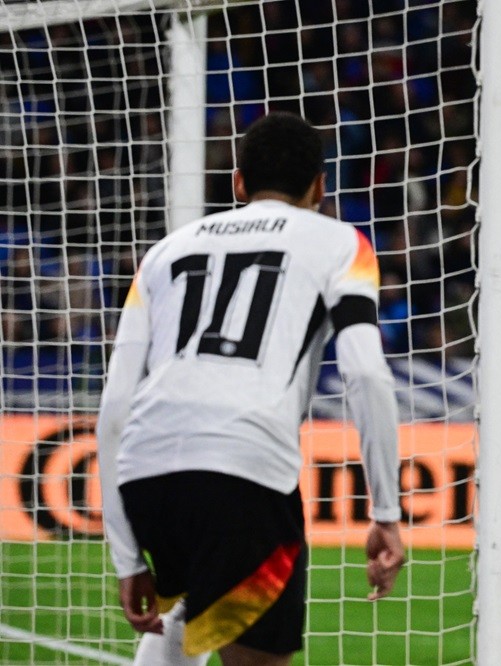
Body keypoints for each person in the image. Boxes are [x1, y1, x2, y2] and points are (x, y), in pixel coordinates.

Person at [96, 112, 405, 666]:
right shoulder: (341, 243)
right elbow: (365, 374)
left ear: (238, 182)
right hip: (244, 468)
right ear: (319, 186)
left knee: (184, 614)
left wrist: (126, 557)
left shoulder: (165, 252)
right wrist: (385, 510)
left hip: (146, 470)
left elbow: (115, 403)